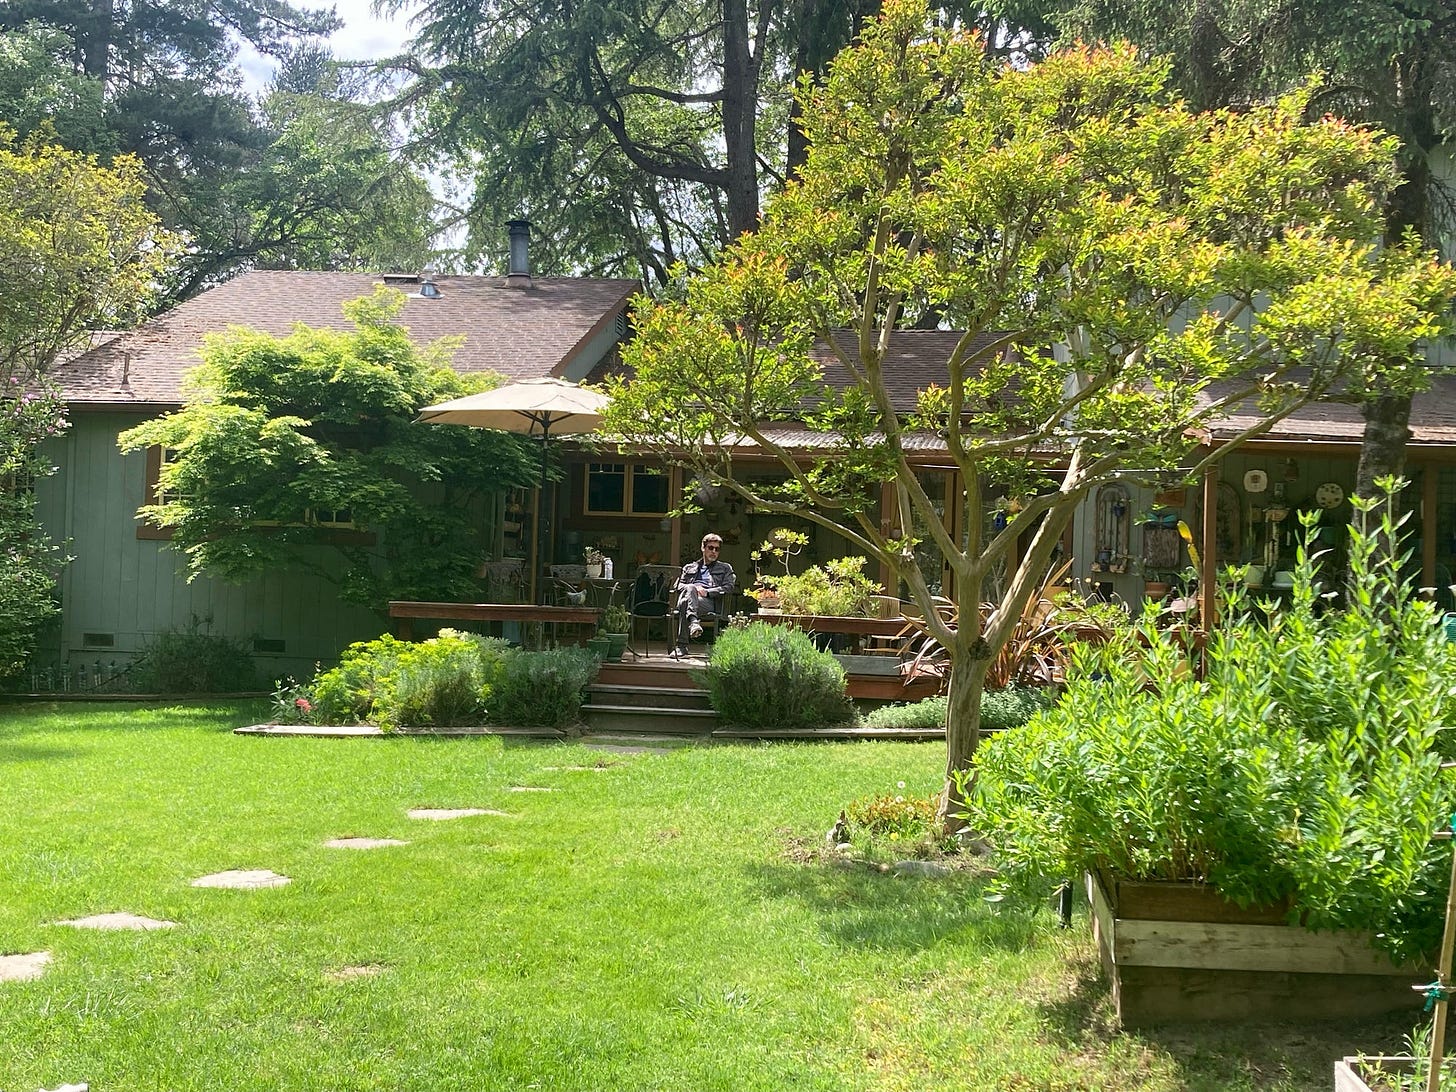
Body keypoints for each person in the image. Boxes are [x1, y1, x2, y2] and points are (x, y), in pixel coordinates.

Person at [669, 533, 735, 658]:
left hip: (709, 602)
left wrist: (708, 592)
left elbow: (729, 587)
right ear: (703, 548)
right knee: (689, 590)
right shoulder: (689, 567)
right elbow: (677, 586)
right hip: (691, 598)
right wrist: (693, 588)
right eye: (710, 548)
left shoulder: (725, 568)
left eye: (717, 549)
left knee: (684, 603)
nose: (714, 551)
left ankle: (681, 647)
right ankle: (693, 622)